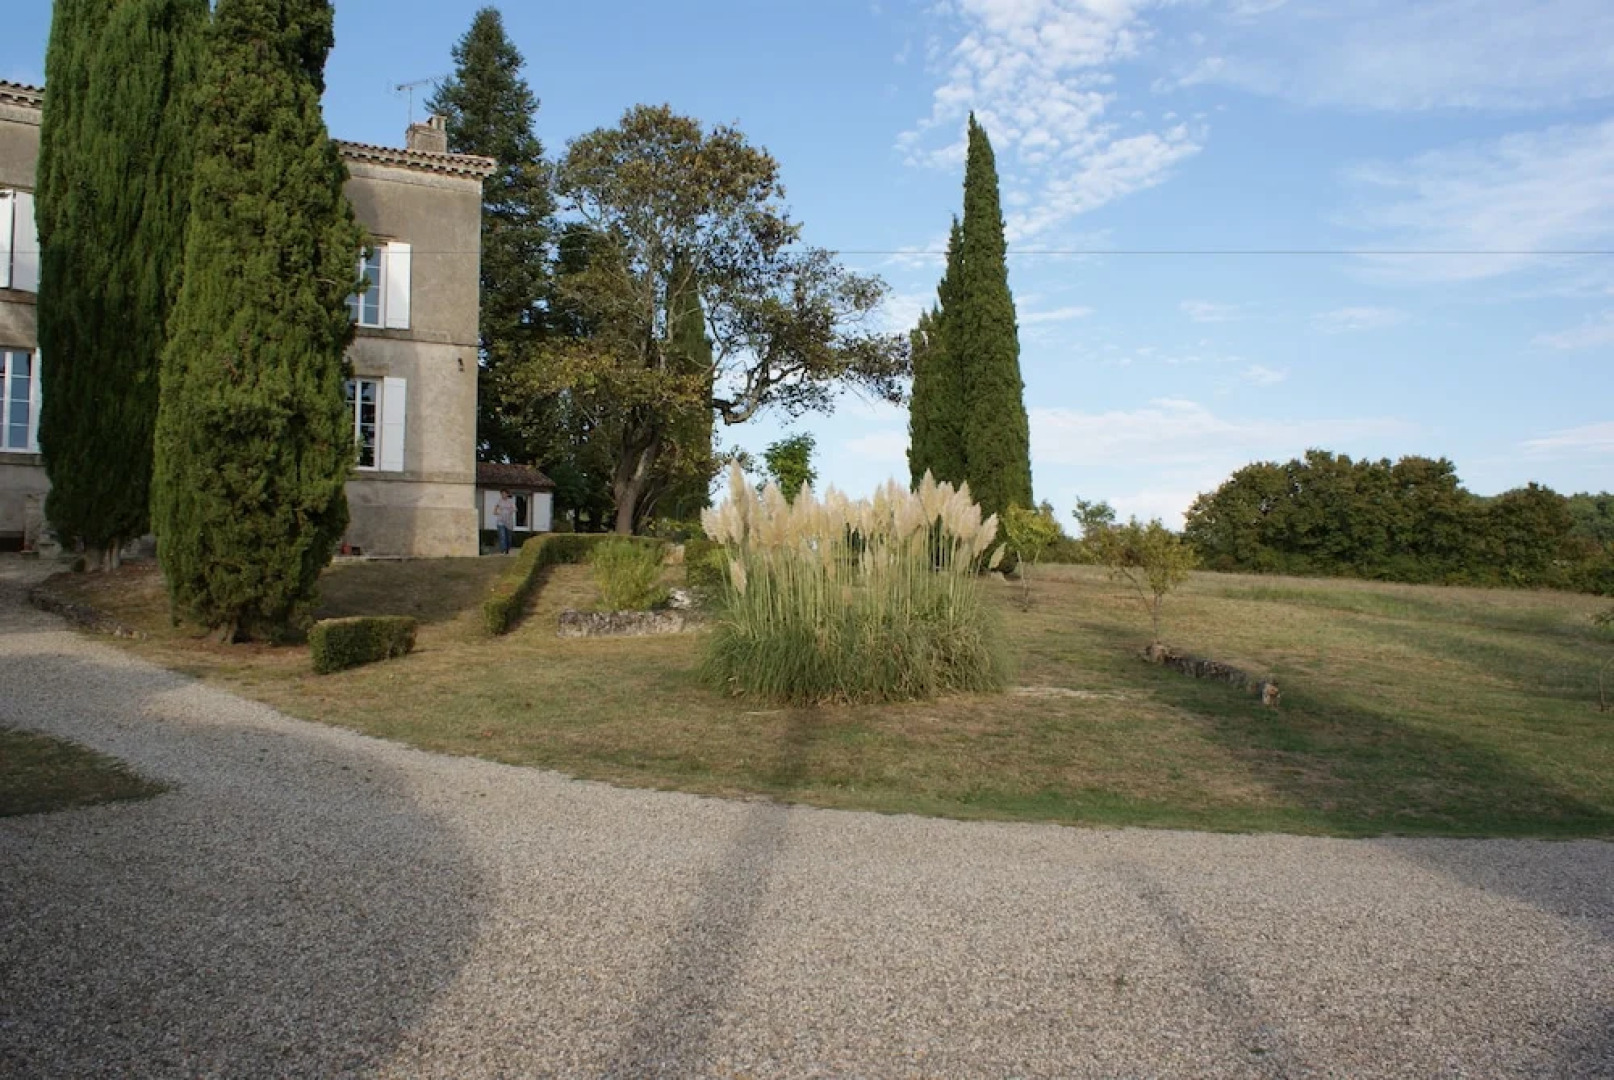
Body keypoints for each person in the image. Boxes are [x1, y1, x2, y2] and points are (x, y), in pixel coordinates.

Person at [493, 490, 516, 555]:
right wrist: (497, 512)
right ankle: (503, 550)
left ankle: (507, 549)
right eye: (502, 494)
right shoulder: (499, 501)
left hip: (509, 522)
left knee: (508, 538)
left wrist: (511, 510)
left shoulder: (511, 501)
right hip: (500, 521)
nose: (503, 495)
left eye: (504, 494)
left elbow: (515, 509)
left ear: (507, 494)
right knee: (502, 536)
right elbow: (494, 510)